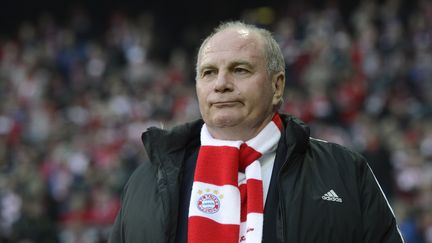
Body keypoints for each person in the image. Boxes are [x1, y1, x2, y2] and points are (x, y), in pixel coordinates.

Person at [108, 21, 405, 243]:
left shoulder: (344, 172)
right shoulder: (147, 180)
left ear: (277, 86)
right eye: (208, 72)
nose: (221, 84)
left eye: (240, 70)